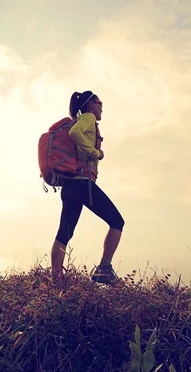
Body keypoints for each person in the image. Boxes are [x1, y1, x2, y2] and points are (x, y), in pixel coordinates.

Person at [50, 90, 125, 285]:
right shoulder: (89, 118)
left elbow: (74, 132)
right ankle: (104, 269)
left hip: (70, 186)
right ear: (91, 105)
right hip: (83, 184)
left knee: (64, 233)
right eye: (100, 103)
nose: (102, 108)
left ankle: (55, 279)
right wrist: (95, 152)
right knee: (117, 221)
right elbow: (74, 133)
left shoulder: (80, 120)